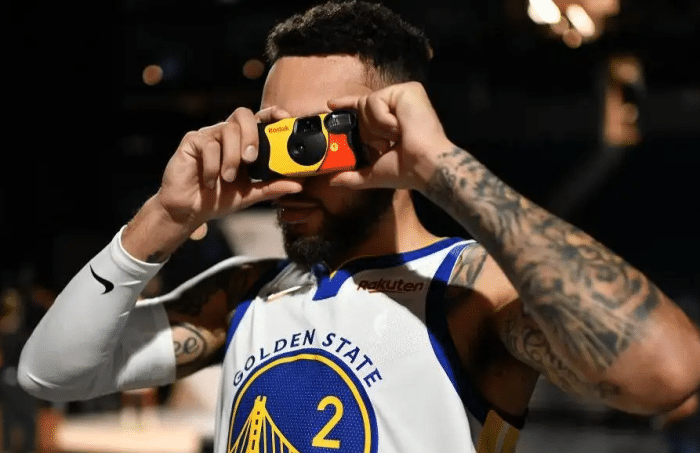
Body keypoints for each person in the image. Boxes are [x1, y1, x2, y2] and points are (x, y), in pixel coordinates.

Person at [17, 1, 700, 452]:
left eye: (317, 138)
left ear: (386, 129)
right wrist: (165, 216)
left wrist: (439, 167)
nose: (289, 169)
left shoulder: (464, 290)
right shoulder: (249, 291)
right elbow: (49, 372)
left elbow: (666, 372)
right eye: (274, 139)